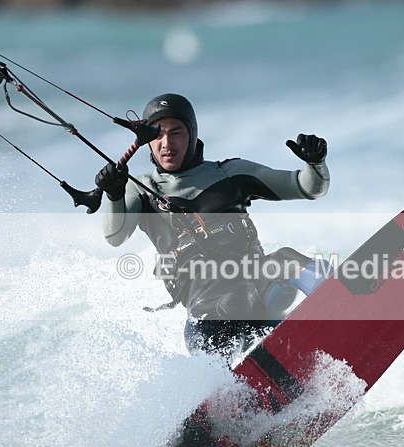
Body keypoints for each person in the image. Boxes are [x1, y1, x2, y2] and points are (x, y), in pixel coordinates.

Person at [95, 93, 330, 361]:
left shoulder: (231, 174)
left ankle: (347, 301)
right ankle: (222, 388)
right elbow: (115, 236)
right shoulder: (140, 190)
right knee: (236, 298)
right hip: (207, 315)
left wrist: (316, 164)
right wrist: (114, 196)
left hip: (260, 287)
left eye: (176, 133)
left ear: (192, 134)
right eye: (157, 135)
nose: (166, 144)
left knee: (289, 261)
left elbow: (306, 187)